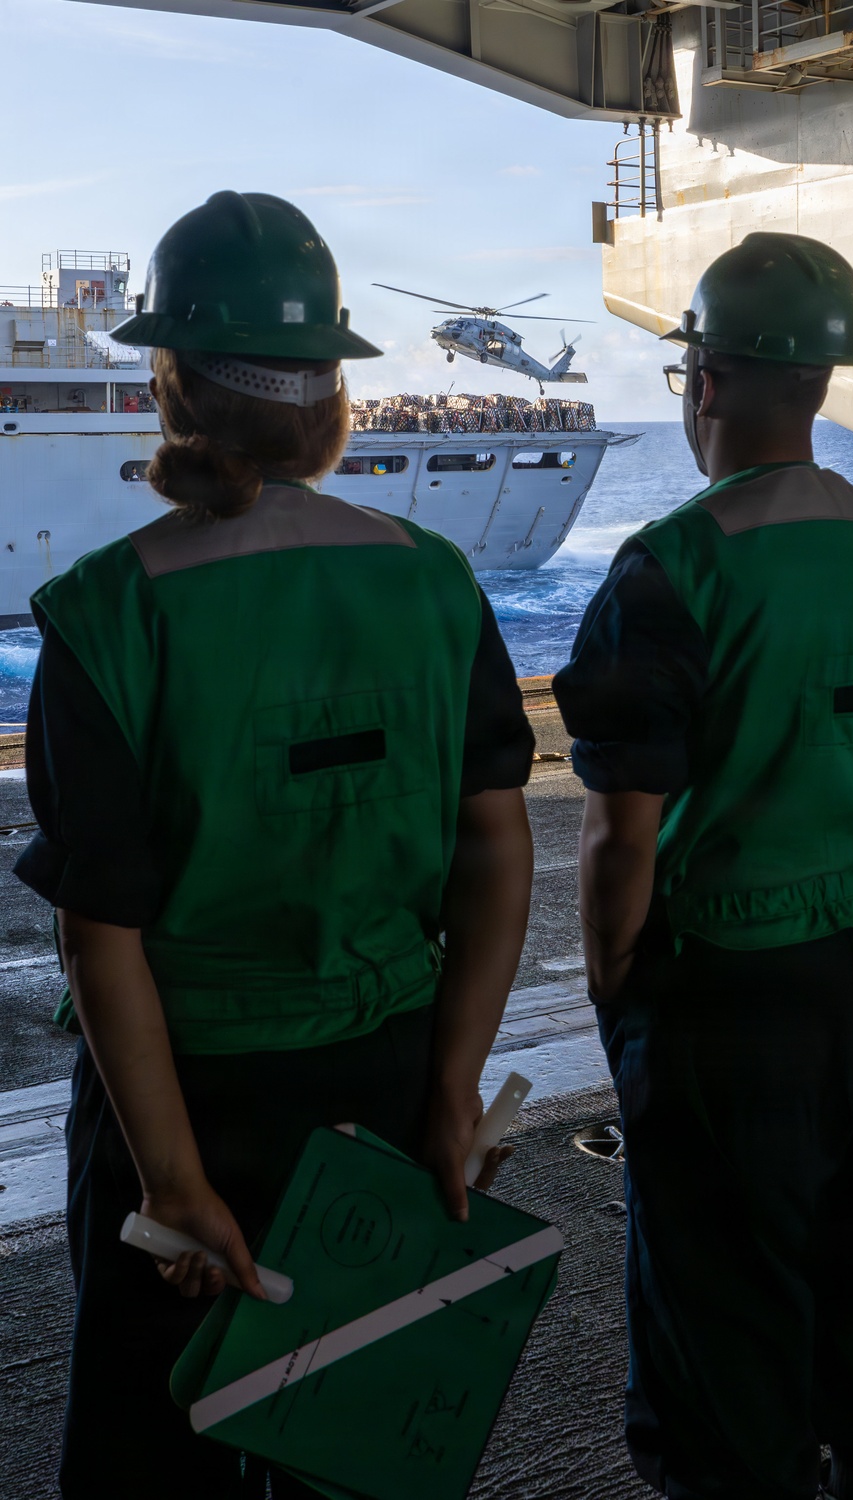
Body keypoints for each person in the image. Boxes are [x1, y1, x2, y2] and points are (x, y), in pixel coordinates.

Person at [15, 191, 535, 1500]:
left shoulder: (100, 615)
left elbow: (100, 932)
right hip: (385, 1077)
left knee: (153, 1454)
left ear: (169, 385)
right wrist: (456, 1084)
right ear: (334, 403)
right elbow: (494, 849)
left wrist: (175, 1182)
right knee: (354, 1449)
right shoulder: (435, 583)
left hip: (177, 1091)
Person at [553, 232, 853, 1500]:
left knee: (712, 1303)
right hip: (851, 966)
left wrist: (619, 985)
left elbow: (620, 834)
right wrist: (834, 870)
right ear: (825, 386)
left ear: (705, 382)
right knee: (852, 1232)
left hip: (708, 985)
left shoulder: (669, 566)